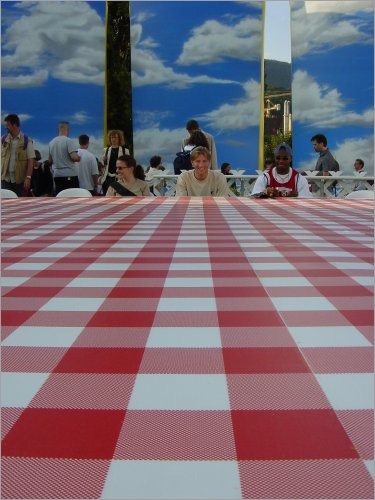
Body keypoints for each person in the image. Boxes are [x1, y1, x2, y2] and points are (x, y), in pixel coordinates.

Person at [1, 113, 35, 196]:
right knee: (6, 205)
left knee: (19, 204)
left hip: (20, 181)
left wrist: (28, 178)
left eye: (8, 125)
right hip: (5, 180)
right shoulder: (3, 139)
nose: (6, 127)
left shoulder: (27, 140)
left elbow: (31, 160)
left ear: (15, 125)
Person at [47, 121, 80, 195]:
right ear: (67, 129)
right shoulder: (68, 141)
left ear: (58, 129)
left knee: (60, 198)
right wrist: (79, 157)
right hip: (70, 175)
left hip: (57, 175)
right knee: (72, 198)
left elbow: (50, 161)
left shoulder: (51, 142)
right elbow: (74, 157)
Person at [100, 129, 130, 195]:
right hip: (107, 178)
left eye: (115, 137)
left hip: (120, 178)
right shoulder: (106, 150)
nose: (113, 139)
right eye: (112, 137)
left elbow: (128, 165)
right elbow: (103, 165)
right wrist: (103, 161)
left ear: (119, 139)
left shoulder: (125, 151)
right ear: (110, 139)